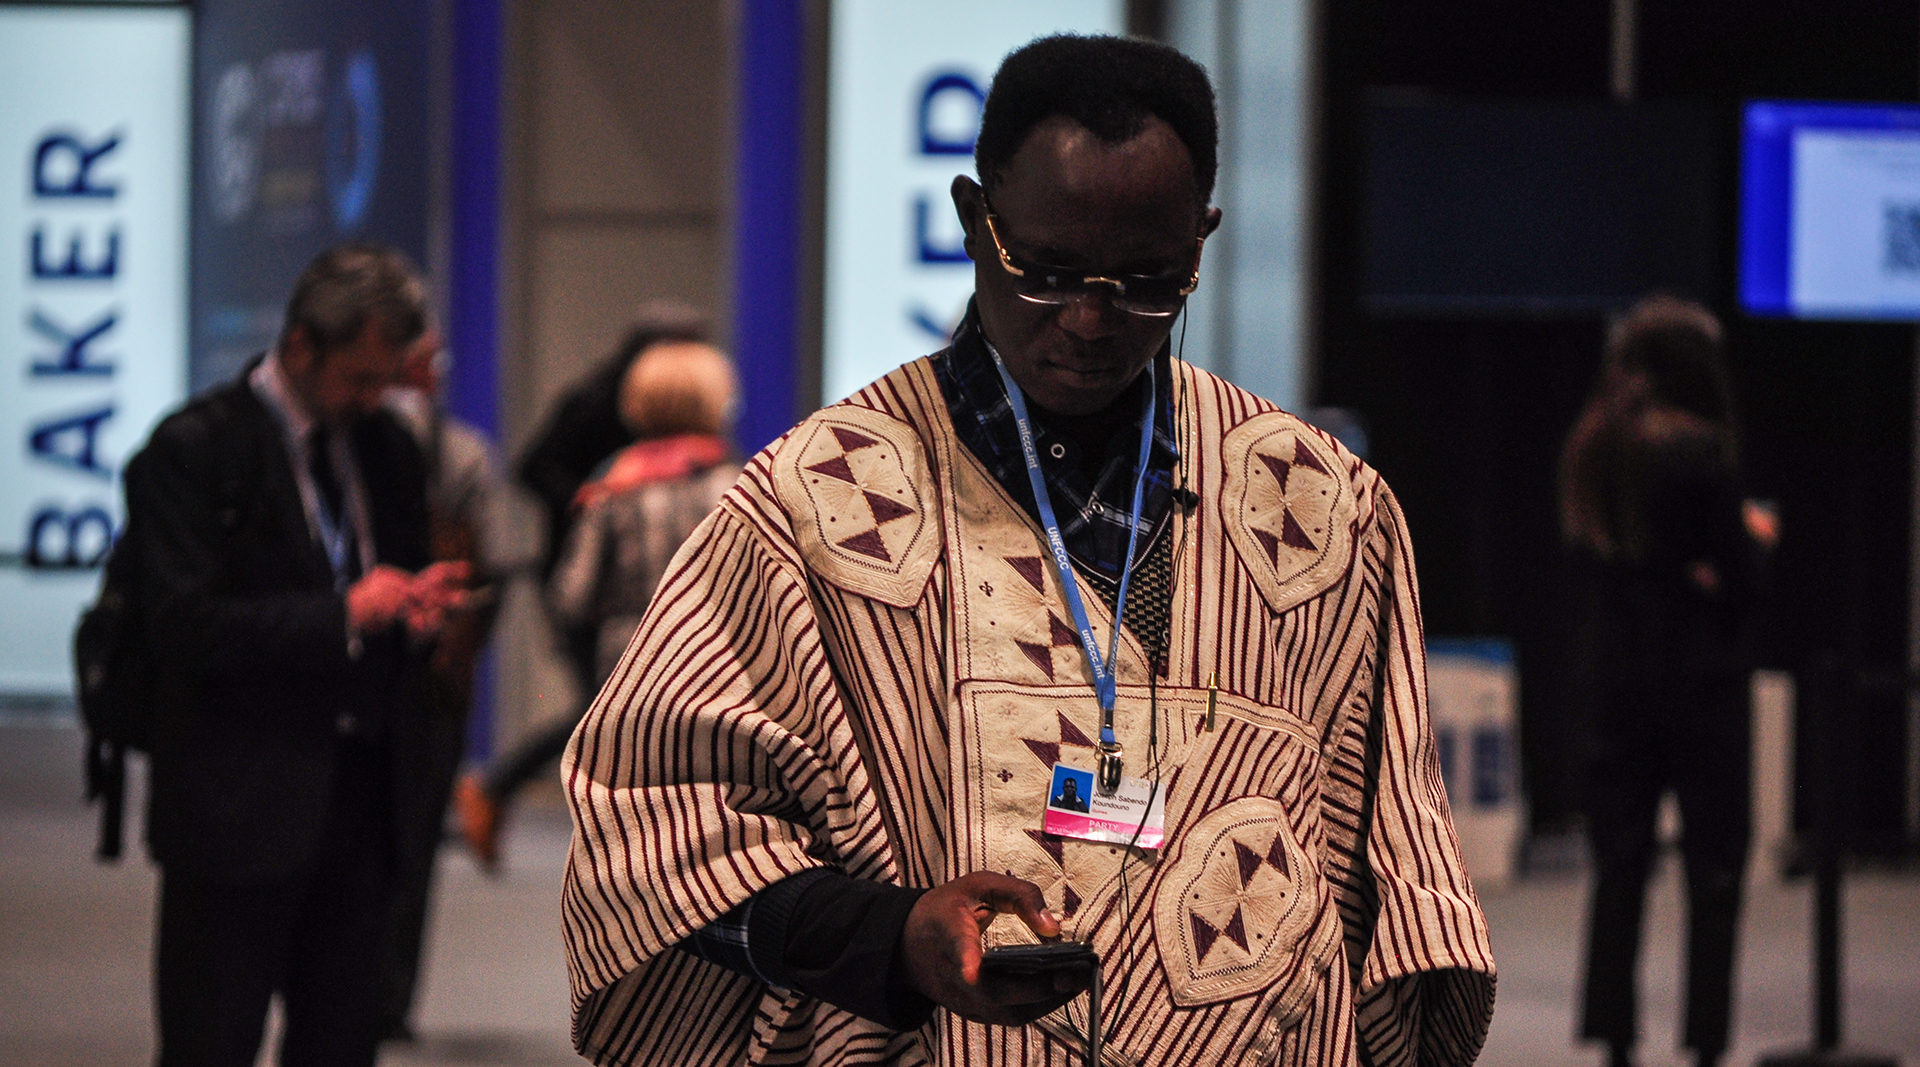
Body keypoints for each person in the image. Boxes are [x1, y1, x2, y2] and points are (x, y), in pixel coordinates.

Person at [561, 34, 1495, 1066]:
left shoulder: (1321, 509)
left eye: (1147, 278)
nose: (1092, 319)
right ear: (973, 221)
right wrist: (891, 937)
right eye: (1046, 272)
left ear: (1204, 239)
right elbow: (646, 840)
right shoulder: (809, 510)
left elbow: (1393, 869)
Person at [125, 244, 468, 1067]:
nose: (371, 396)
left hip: (363, 804)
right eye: (358, 377)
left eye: (385, 379)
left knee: (343, 1043)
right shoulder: (191, 450)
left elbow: (387, 579)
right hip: (236, 804)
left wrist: (413, 613)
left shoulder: (384, 445)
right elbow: (180, 626)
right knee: (212, 1042)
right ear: (302, 345)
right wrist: (342, 613)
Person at [1561, 296, 1771, 1067]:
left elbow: (1596, 567)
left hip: (1616, 682)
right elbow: (1741, 578)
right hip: (1703, 689)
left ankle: (1615, 1038)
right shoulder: (1701, 454)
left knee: (1619, 866)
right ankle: (1707, 1043)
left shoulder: (1592, 447)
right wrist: (1745, 549)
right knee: (1714, 867)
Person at [456, 340, 741, 868]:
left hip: (626, 665)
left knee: (633, 829)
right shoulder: (738, 488)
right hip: (715, 668)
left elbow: (572, 596)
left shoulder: (613, 487)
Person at [377, 331, 518, 1040]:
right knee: (410, 841)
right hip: (432, 673)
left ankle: (334, 988)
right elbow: (490, 568)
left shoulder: (320, 447)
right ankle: (391, 998)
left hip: (340, 667)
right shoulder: (463, 452)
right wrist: (460, 657)